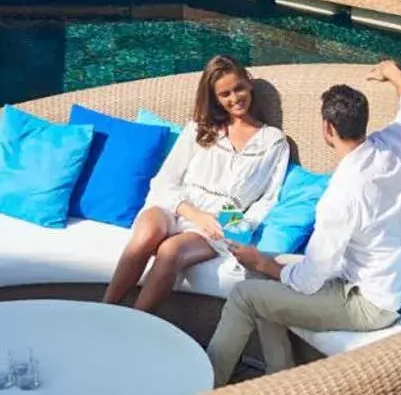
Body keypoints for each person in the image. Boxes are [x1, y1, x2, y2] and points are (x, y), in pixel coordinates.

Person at [208, 60, 401, 385]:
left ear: (328, 128)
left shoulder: (340, 196)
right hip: (365, 281)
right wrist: (393, 72)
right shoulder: (391, 147)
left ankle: (204, 384)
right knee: (263, 275)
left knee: (246, 296)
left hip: (367, 304)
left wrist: (263, 261)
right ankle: (281, 382)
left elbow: (310, 279)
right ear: (363, 123)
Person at [104, 56, 289, 314]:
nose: (235, 98)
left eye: (239, 88)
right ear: (214, 98)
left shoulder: (274, 142)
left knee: (170, 251)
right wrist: (194, 214)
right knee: (146, 234)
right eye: (225, 94)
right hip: (177, 205)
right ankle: (104, 311)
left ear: (249, 83)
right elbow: (165, 181)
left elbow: (267, 199)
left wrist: (234, 225)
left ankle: (133, 324)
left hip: (219, 223)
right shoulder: (200, 128)